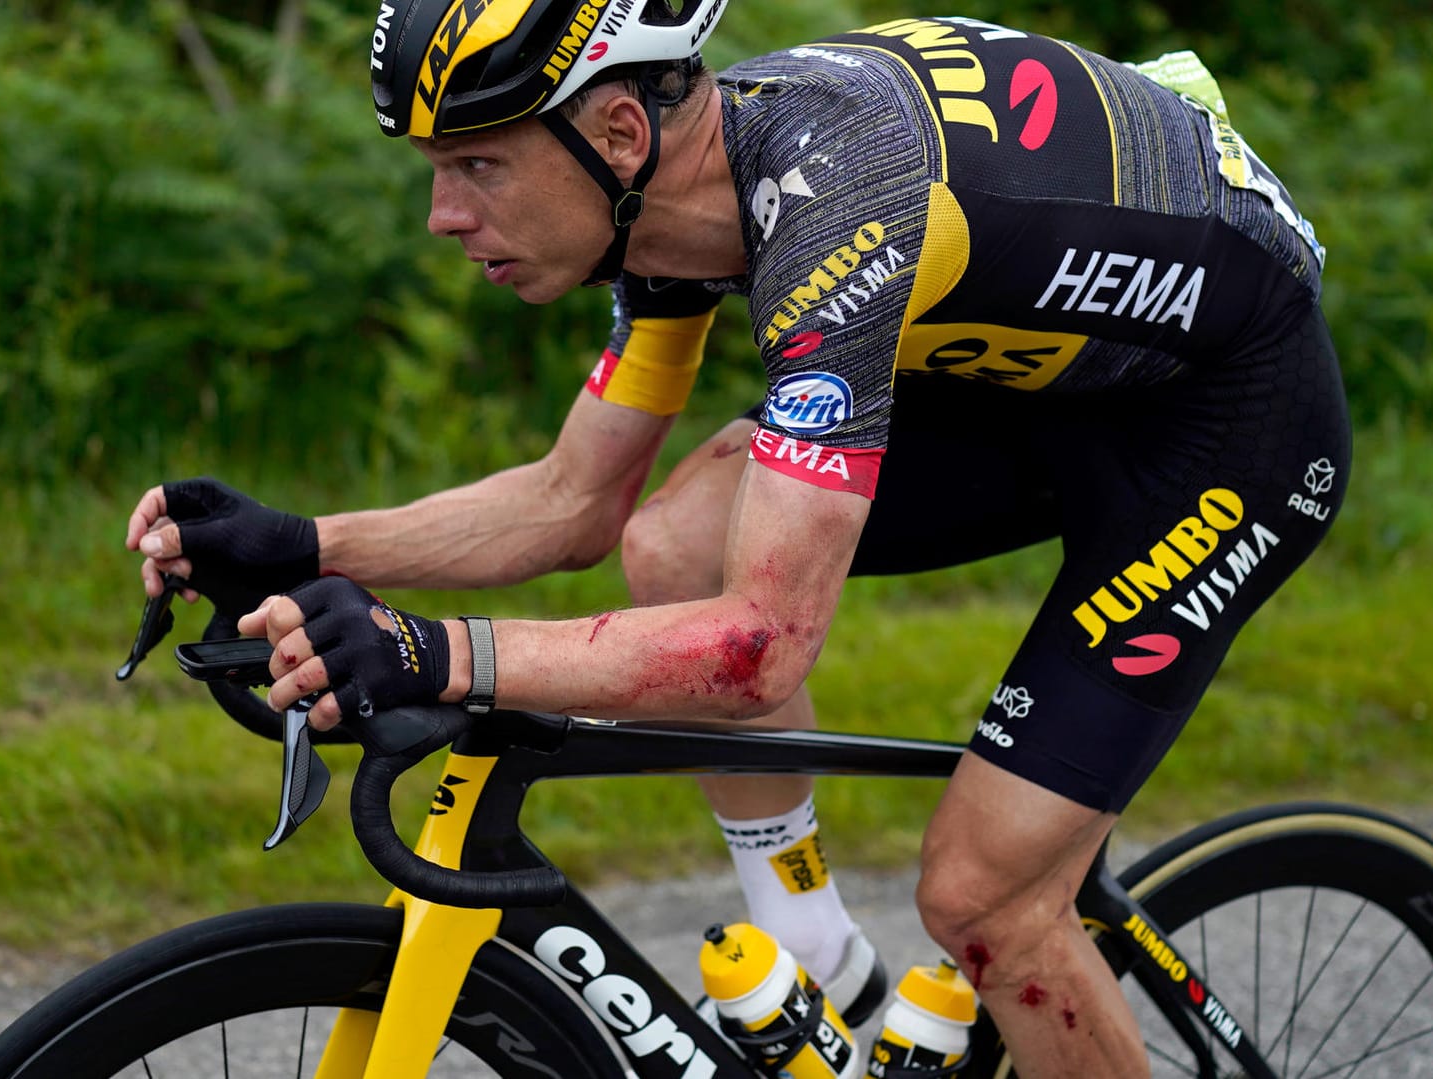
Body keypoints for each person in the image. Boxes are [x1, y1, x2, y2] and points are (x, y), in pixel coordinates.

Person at [125, 3, 1348, 1074]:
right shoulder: (667, 211)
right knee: (671, 543)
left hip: (1221, 429)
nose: (445, 215)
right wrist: (310, 544)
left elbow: (760, 648)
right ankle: (817, 947)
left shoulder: (834, 200)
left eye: (479, 165)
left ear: (613, 133)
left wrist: (434, 653)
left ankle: (972, 935)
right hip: (1039, 382)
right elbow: (571, 504)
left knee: (986, 894)